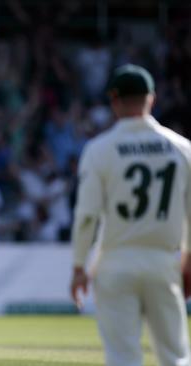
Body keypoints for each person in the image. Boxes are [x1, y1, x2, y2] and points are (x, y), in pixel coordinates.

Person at [70, 64, 191, 366]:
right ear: (151, 98)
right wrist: (188, 260)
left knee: (123, 357)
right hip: (164, 261)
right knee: (176, 356)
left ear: (114, 101)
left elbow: (87, 216)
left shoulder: (100, 149)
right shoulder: (182, 148)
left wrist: (79, 265)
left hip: (116, 261)